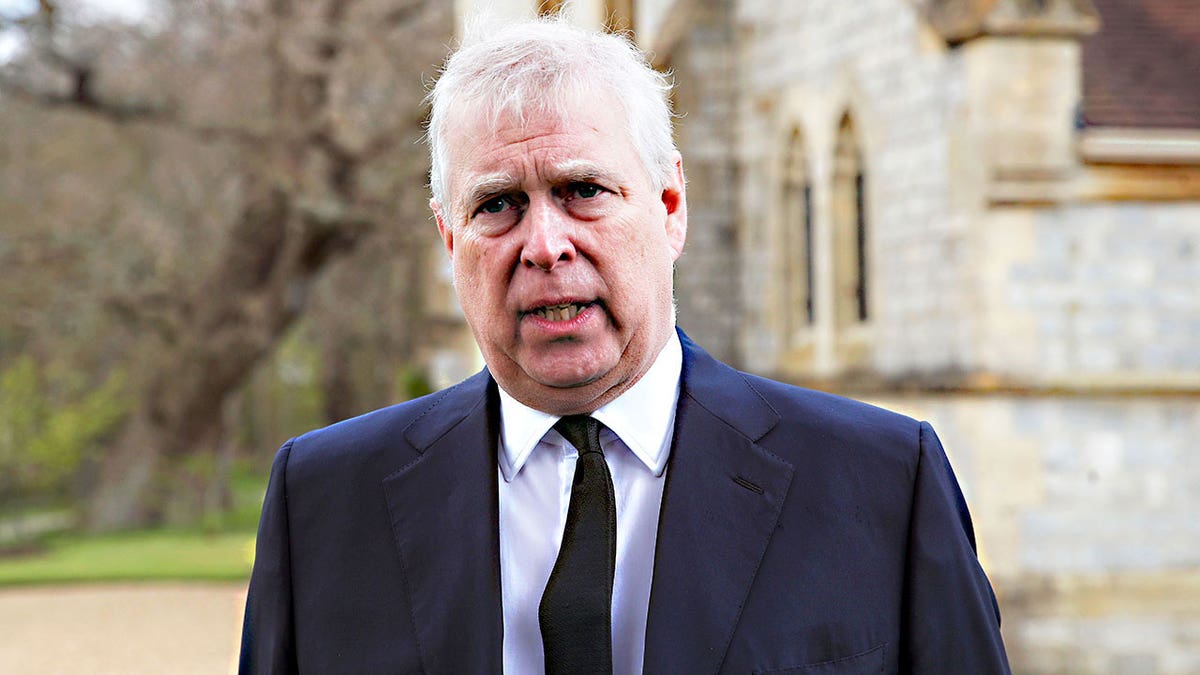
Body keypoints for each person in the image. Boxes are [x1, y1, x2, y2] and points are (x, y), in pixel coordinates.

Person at [239, 16, 1011, 675]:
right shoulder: (324, 503)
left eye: (583, 191)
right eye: (499, 204)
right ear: (450, 239)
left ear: (670, 206)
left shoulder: (881, 484)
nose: (545, 245)